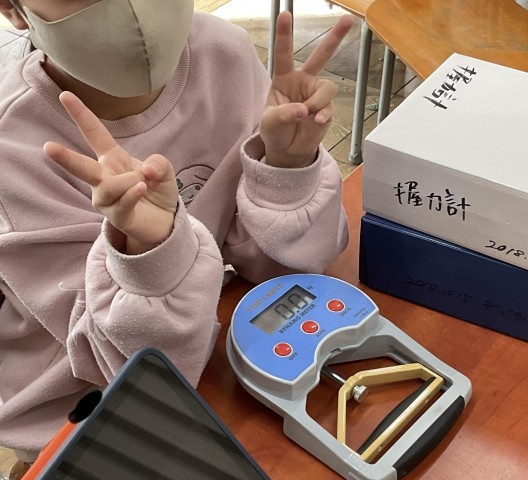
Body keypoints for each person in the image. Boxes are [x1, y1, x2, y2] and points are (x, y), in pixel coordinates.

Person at [0, 0, 353, 474]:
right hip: (85, 425)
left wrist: (286, 167)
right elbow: (134, 374)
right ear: (13, 9)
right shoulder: (13, 147)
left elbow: (283, 271)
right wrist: (149, 253)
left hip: (229, 351)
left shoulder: (222, 52)